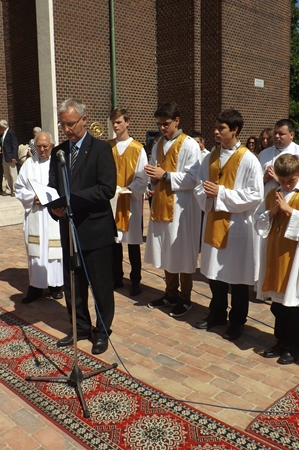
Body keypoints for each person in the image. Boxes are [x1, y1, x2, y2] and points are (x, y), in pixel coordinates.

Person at [48, 98, 117, 355]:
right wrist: (53, 207)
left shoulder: (100, 149)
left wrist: (72, 199)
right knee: (73, 284)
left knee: (100, 286)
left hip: (95, 230)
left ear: (84, 120)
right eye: (63, 125)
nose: (66, 129)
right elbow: (53, 185)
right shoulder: (58, 152)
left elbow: (107, 189)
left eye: (71, 124)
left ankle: (102, 331)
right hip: (69, 229)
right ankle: (80, 327)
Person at [194, 109, 263, 340]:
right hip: (214, 220)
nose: (216, 131)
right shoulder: (210, 157)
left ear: (234, 130)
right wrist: (207, 193)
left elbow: (255, 195)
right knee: (215, 274)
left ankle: (237, 321)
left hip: (237, 227)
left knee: (238, 277)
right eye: (216, 127)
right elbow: (199, 184)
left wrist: (221, 193)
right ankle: (217, 313)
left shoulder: (249, 159)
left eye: (221, 128)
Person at [254, 154, 299, 364]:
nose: (286, 185)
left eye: (290, 180)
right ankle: (280, 341)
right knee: (278, 304)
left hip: (296, 258)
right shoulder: (272, 194)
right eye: (282, 181)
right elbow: (258, 221)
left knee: (295, 305)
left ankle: (294, 347)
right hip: (275, 254)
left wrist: (290, 211)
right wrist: (272, 212)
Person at [144, 101, 201, 317]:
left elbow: (193, 178)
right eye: (159, 124)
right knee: (166, 249)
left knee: (182, 252)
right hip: (162, 203)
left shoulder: (189, 145)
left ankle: (185, 298)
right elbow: (155, 172)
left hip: (181, 207)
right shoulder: (158, 144)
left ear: (177, 121)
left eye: (165, 124)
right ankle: (170, 293)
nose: (162, 128)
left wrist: (165, 175)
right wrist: (152, 177)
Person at [15, 131, 64, 303]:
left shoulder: (58, 164)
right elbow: (19, 187)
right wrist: (32, 197)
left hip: (53, 214)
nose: (42, 150)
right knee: (36, 251)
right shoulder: (29, 164)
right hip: (35, 213)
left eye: (45, 146)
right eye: (38, 146)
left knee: (55, 250)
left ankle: (56, 285)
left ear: (52, 146)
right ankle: (36, 286)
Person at [109, 108, 149, 296]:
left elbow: (142, 177)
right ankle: (116, 277)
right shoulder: (108, 146)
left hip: (131, 201)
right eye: (113, 122)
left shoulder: (138, 148)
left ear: (127, 122)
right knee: (114, 243)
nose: (115, 125)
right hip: (112, 201)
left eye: (118, 122)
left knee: (133, 243)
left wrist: (128, 189)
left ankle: (135, 280)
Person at [258, 119, 299, 194]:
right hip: (267, 198)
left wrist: (281, 179)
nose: (276, 136)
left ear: (292, 135)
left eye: (281, 134)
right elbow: (253, 179)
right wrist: (263, 179)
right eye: (275, 133)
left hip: (293, 198)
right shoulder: (263, 154)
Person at [0, 119, 19, 196]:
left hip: (10, 156)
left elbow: (14, 145)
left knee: (13, 173)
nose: (0, 128)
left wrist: (14, 156)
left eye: (0, 127)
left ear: (4, 126)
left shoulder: (10, 133)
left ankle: (15, 190)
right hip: (5, 156)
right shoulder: (4, 134)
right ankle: (8, 189)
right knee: (6, 174)